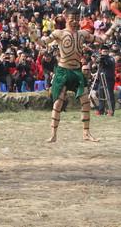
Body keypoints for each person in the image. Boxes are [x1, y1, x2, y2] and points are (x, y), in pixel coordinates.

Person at [32, 8, 119, 142]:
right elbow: (42, 43)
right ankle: (53, 134)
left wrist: (113, 26)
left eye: (77, 19)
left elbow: (101, 39)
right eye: (72, 18)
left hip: (77, 71)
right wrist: (32, 34)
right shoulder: (59, 33)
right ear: (66, 18)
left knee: (85, 101)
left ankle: (86, 133)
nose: (74, 21)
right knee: (58, 103)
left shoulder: (83, 34)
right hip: (62, 71)